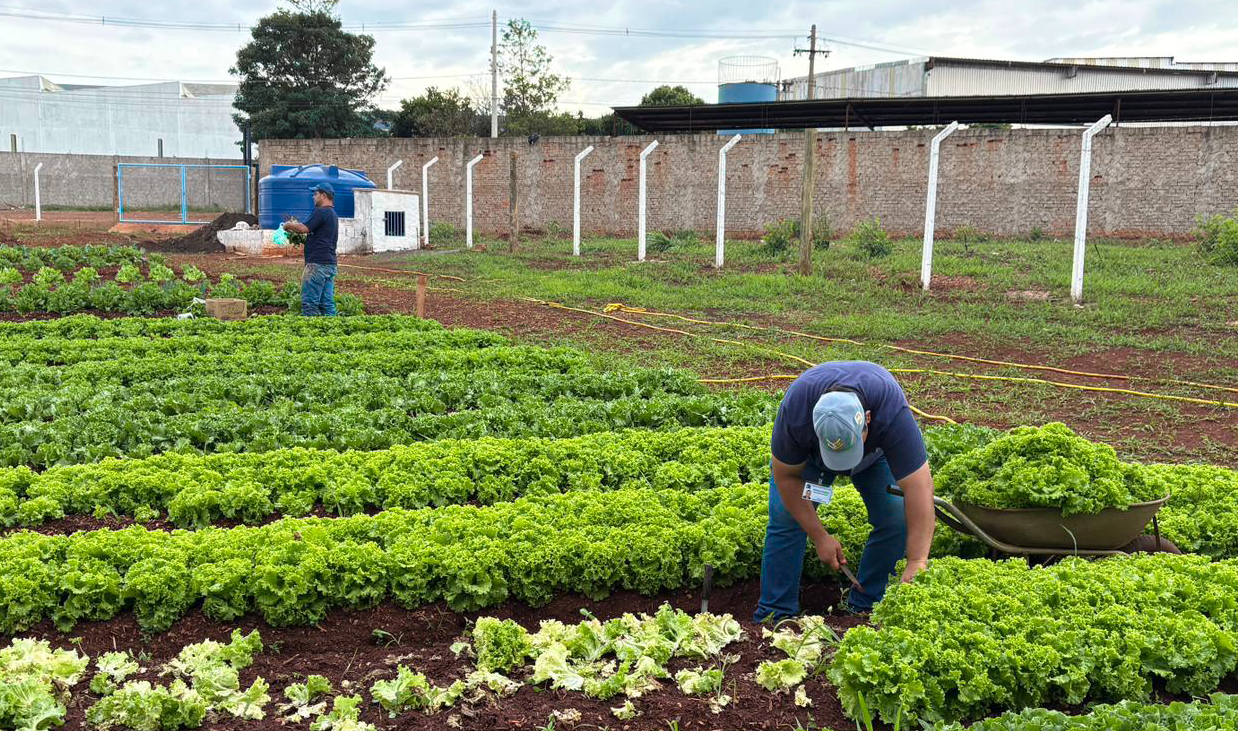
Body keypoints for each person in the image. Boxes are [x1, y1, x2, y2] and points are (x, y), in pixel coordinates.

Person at [754, 361, 937, 622]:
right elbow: (786, 477)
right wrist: (820, 536)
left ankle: (866, 604)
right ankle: (775, 615)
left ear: (868, 419)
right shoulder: (796, 411)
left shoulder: (890, 409)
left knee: (895, 515)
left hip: (875, 457)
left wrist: (917, 561)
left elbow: (919, 487)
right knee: (786, 518)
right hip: (813, 460)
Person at [283, 182, 339, 316]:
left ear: (324, 196)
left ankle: (310, 333)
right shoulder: (333, 214)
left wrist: (288, 225)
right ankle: (334, 331)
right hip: (329, 264)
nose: (313, 197)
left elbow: (304, 228)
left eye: (315, 194)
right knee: (327, 304)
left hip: (317, 265)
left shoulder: (321, 211)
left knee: (310, 304)